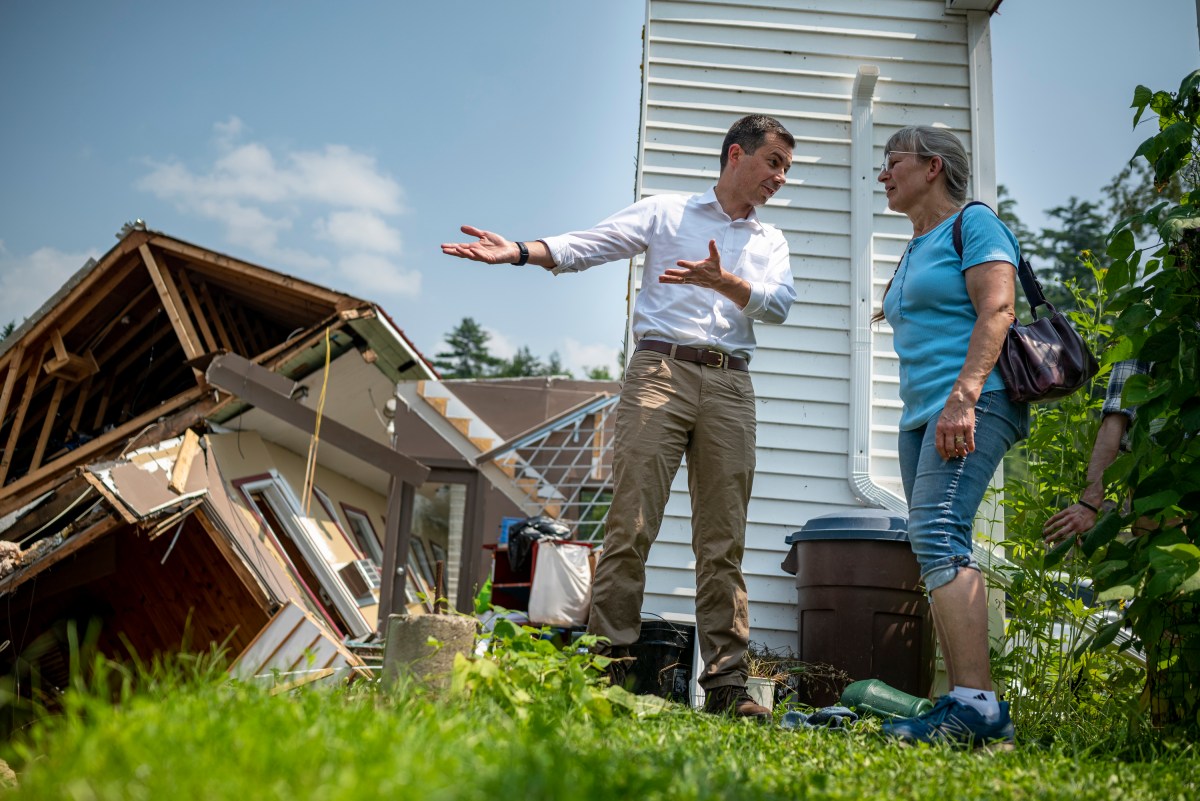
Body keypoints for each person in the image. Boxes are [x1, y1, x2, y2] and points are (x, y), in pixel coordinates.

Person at [441, 115, 797, 719]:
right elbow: (590, 244)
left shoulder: (771, 241)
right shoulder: (666, 212)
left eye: (786, 169)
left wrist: (726, 283)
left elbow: (780, 304)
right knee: (630, 525)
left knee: (723, 541)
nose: (780, 179)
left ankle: (729, 688)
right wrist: (521, 252)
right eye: (773, 163)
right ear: (736, 154)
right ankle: (606, 669)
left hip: (732, 386)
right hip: (660, 372)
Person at [872, 126, 1027, 750]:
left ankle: (981, 712)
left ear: (933, 166)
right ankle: (966, 706)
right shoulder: (917, 244)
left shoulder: (976, 224)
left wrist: (963, 395)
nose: (882, 175)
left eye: (892, 162)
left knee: (939, 534)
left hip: (973, 403)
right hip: (922, 417)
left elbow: (997, 309)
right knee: (934, 544)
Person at [1042, 359, 1152, 545]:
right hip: (1159, 470)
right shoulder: (1146, 333)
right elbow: (1117, 415)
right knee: (1160, 547)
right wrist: (1089, 503)